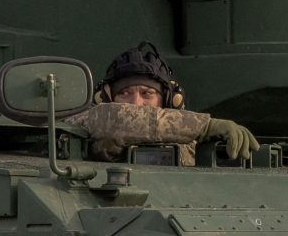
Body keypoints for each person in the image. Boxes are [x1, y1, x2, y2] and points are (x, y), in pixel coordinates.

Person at [67, 42, 259, 166]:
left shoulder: (187, 142)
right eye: (124, 93)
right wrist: (207, 126)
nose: (136, 104)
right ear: (106, 98)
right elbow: (116, 119)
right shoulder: (91, 121)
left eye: (147, 94)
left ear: (168, 100)